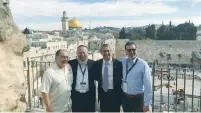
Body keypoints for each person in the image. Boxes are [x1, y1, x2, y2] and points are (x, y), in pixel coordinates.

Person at [121, 41, 152, 112]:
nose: (132, 52)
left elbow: (148, 85)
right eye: (129, 50)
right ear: (126, 51)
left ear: (136, 50)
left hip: (138, 99)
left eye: (133, 49)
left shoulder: (143, 65)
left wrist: (146, 104)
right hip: (125, 98)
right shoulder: (122, 62)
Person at [93, 43, 122, 112]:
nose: (106, 53)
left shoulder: (118, 64)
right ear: (101, 52)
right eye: (104, 51)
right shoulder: (97, 64)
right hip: (103, 95)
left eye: (108, 51)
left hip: (115, 95)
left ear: (111, 51)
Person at [68, 45, 96, 112]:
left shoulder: (93, 64)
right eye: (80, 53)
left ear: (87, 53)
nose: (82, 54)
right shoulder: (71, 64)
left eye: (84, 52)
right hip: (76, 96)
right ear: (77, 54)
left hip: (89, 96)